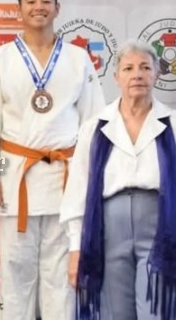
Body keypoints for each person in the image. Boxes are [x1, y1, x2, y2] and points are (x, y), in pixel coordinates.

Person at [0, 0, 105, 320]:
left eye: (46, 0)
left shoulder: (79, 58)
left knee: (61, 273)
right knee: (15, 271)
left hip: (66, 179)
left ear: (57, 8)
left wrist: (90, 180)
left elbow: (93, 122)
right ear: (19, 9)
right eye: (31, 0)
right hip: (15, 177)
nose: (39, 6)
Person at [60, 41, 176, 320]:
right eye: (129, 68)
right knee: (114, 313)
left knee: (157, 311)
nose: (137, 74)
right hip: (108, 231)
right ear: (117, 77)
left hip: (160, 227)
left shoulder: (173, 123)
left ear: (156, 75)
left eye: (145, 67)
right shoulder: (95, 127)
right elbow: (78, 191)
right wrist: (76, 249)